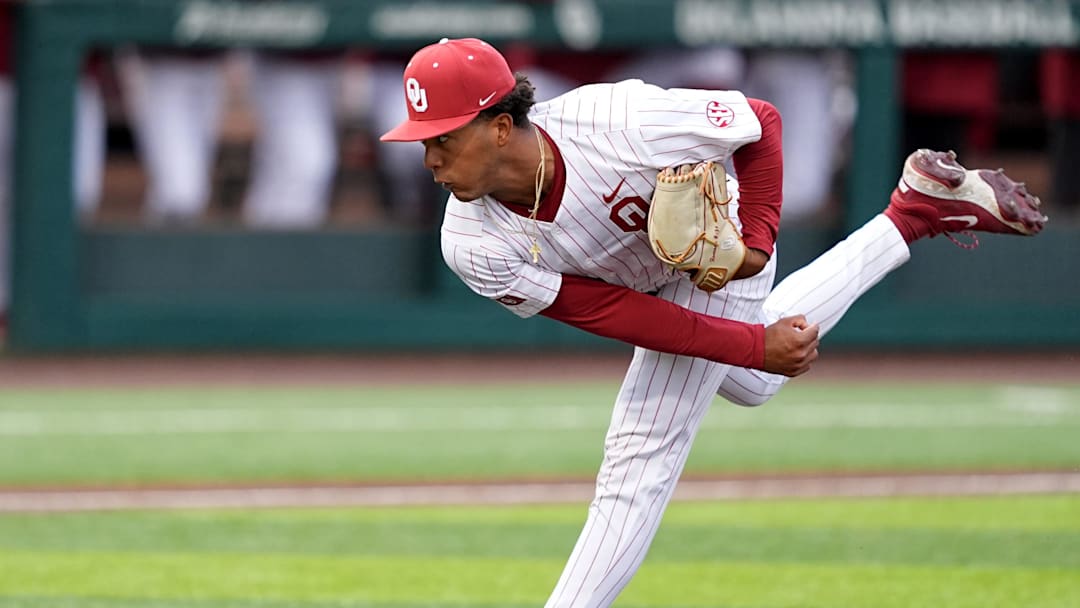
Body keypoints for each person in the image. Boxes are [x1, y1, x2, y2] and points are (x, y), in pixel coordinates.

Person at [380, 38, 1047, 608]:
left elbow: (760, 121)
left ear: (500, 126)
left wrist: (755, 242)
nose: (429, 160)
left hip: (716, 251)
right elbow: (612, 311)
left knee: (640, 452)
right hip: (643, 287)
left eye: (442, 139)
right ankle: (912, 213)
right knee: (753, 383)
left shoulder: (615, 121)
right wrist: (753, 348)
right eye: (422, 143)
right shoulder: (469, 242)